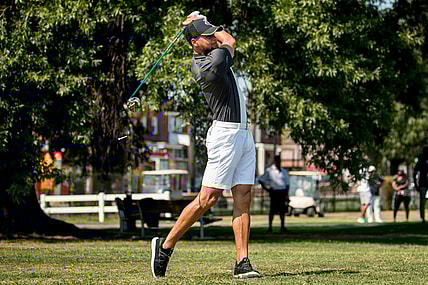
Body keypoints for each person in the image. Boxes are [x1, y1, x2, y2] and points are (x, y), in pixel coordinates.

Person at [150, 13, 261, 279]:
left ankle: (242, 262)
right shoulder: (210, 62)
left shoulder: (211, 53)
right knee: (208, 199)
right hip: (225, 135)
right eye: (206, 36)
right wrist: (211, 27)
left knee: (243, 197)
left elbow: (218, 38)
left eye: (212, 35)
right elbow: (229, 40)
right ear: (193, 42)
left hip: (243, 134)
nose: (212, 38)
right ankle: (165, 247)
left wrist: (200, 22)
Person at [258, 155, 290, 233]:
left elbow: (287, 184)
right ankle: (270, 227)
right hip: (275, 192)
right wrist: (267, 189)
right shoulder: (269, 170)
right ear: (275, 161)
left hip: (282, 192)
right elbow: (261, 180)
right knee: (272, 210)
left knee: (282, 210)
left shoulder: (284, 171)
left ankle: (282, 226)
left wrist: (286, 194)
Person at [413, 146, 428, 224]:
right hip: (423, 184)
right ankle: (423, 218)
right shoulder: (421, 161)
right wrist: (416, 184)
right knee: (422, 202)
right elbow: (415, 173)